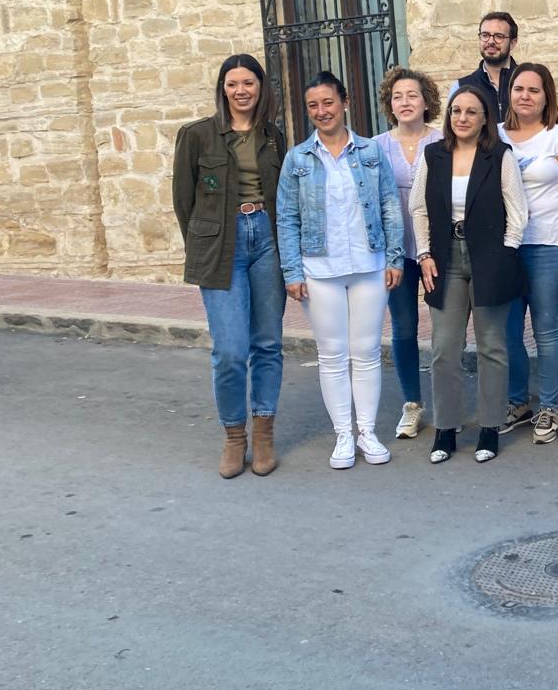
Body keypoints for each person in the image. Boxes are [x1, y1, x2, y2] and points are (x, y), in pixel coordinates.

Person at [275, 71, 405, 471]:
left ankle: (367, 431)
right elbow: (287, 216)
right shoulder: (297, 158)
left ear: (344, 102)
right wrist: (292, 271)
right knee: (332, 354)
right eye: (313, 105)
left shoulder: (369, 151)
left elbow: (388, 204)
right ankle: (343, 435)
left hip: (368, 264)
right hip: (319, 269)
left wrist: (395, 257)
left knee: (365, 352)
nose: (321, 111)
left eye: (328, 102)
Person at [172, 54, 288, 479]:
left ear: (261, 88)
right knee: (230, 350)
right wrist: (205, 244)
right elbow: (183, 200)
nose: (241, 91)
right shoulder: (197, 135)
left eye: (249, 83)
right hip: (222, 243)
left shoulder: (273, 136)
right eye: (233, 83)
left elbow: (284, 199)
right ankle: (234, 436)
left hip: (267, 241)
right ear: (223, 88)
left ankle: (263, 434)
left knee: (268, 344)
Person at [410, 87, 527, 464]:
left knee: (492, 346)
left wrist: (505, 253)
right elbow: (418, 208)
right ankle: (446, 427)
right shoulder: (434, 155)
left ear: (484, 119)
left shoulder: (499, 156)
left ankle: (490, 427)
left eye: (471, 112)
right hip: (444, 259)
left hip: (489, 258)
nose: (462, 117)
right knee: (444, 348)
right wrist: (424, 253)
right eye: (456, 111)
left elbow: (517, 210)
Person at [500, 63, 558, 445]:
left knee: (547, 329)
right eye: (519, 89)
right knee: (508, 330)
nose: (525, 96)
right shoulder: (496, 135)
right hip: (506, 247)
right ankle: (518, 403)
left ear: (546, 95)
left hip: (549, 243)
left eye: (534, 90)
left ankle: (549, 405)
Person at [373, 67, 444, 441]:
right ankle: (412, 404)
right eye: (397, 96)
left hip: (439, 247)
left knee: (446, 328)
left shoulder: (446, 139)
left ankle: (448, 401)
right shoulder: (377, 146)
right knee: (403, 327)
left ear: (426, 101)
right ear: (390, 102)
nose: (405, 102)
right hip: (397, 249)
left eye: (412, 95)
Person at [453, 11, 520, 120]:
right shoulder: (461, 87)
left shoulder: (528, 82)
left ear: (513, 43)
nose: (490, 41)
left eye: (499, 36)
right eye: (485, 35)